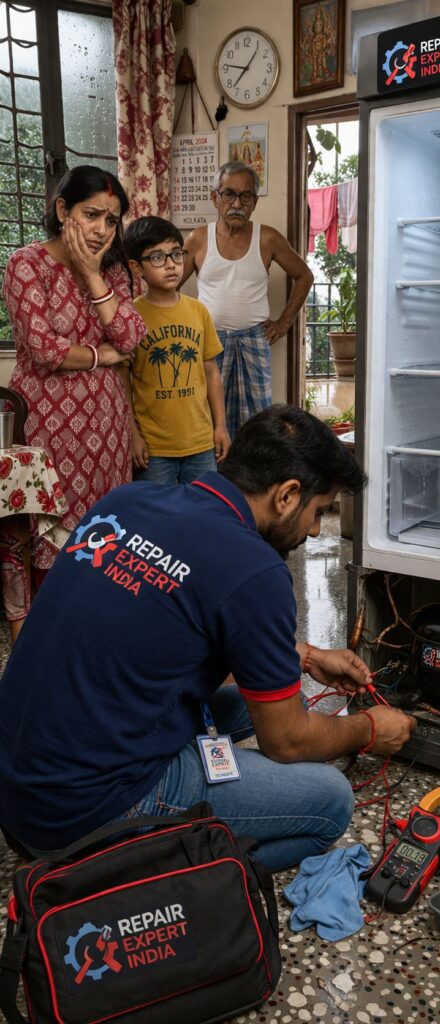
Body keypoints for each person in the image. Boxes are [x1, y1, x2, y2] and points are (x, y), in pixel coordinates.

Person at [0, 405, 415, 871]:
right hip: (83, 815)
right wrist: (370, 730)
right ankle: (127, 877)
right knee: (330, 802)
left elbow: (166, 616)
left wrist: (305, 655)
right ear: (287, 495)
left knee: (241, 707)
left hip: (16, 792)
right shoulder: (255, 568)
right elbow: (287, 741)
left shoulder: (125, 501)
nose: (316, 530)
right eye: (318, 512)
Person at [2, 164, 145, 624]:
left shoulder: (115, 272)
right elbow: (44, 350)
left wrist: (92, 274)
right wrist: (103, 357)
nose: (103, 229)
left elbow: (130, 338)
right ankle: (52, 644)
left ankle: (100, 635)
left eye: (111, 219)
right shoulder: (26, 265)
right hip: (48, 428)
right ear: (62, 209)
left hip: (107, 429)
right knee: (54, 539)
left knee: (107, 532)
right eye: (92, 214)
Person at [182, 161, 314, 438]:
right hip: (209, 343)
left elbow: (304, 276)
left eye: (246, 196)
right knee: (206, 416)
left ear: (254, 201)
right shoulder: (198, 239)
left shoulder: (267, 238)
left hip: (254, 341)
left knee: (257, 421)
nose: (237, 203)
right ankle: (214, 478)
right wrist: (186, 329)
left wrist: (284, 323)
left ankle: (252, 478)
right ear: (214, 197)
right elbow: (166, 286)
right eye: (228, 194)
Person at [123, 216, 231, 483]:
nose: (170, 264)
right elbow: (122, 381)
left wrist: (221, 426)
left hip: (201, 444)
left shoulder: (198, 310)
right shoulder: (130, 317)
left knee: (202, 513)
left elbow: (211, 372)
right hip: (154, 448)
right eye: (157, 257)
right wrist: (133, 435)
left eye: (175, 254)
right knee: (157, 518)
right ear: (137, 268)